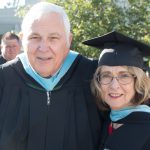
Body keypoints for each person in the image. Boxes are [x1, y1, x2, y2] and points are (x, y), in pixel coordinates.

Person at [0, 2, 102, 150]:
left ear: (69, 40)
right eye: (35, 37)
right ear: (22, 39)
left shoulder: (94, 76)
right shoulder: (4, 79)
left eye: (53, 38)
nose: (43, 47)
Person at [83, 31, 150, 150]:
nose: (114, 86)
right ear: (98, 81)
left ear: (138, 82)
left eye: (124, 76)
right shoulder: (107, 122)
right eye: (106, 75)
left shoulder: (146, 128)